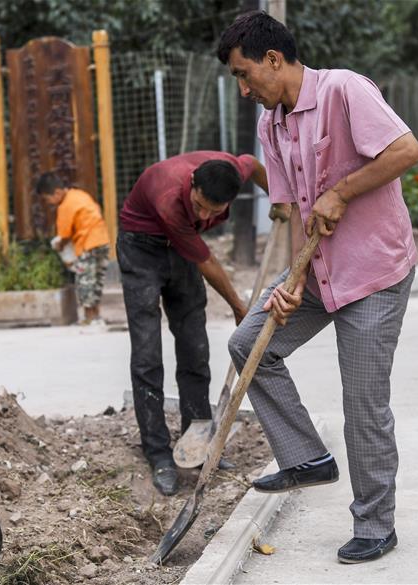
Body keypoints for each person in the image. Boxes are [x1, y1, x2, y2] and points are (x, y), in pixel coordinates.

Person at [217, 11, 418, 564]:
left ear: (273, 60)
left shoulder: (344, 89)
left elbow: (406, 151)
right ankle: (306, 457)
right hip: (320, 269)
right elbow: (291, 213)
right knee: (249, 344)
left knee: (362, 401)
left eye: (244, 75)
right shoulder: (271, 125)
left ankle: (376, 524)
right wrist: (292, 282)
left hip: (374, 271)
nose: (243, 89)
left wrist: (344, 190)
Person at [118, 151, 267, 495]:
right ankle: (158, 454)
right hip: (141, 248)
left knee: (194, 348)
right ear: (193, 184)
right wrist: (238, 306)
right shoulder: (171, 199)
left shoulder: (230, 172)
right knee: (147, 355)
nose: (204, 215)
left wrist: (282, 201)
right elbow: (206, 260)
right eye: (199, 206)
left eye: (215, 212)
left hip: (181, 247)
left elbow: (254, 164)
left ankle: (197, 444)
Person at [36, 173, 111, 326]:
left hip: (87, 244)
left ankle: (88, 318)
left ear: (57, 193)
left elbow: (64, 235)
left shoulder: (64, 206)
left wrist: (59, 245)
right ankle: (96, 316)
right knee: (96, 280)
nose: (49, 203)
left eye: (47, 199)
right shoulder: (80, 194)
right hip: (102, 241)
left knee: (85, 281)